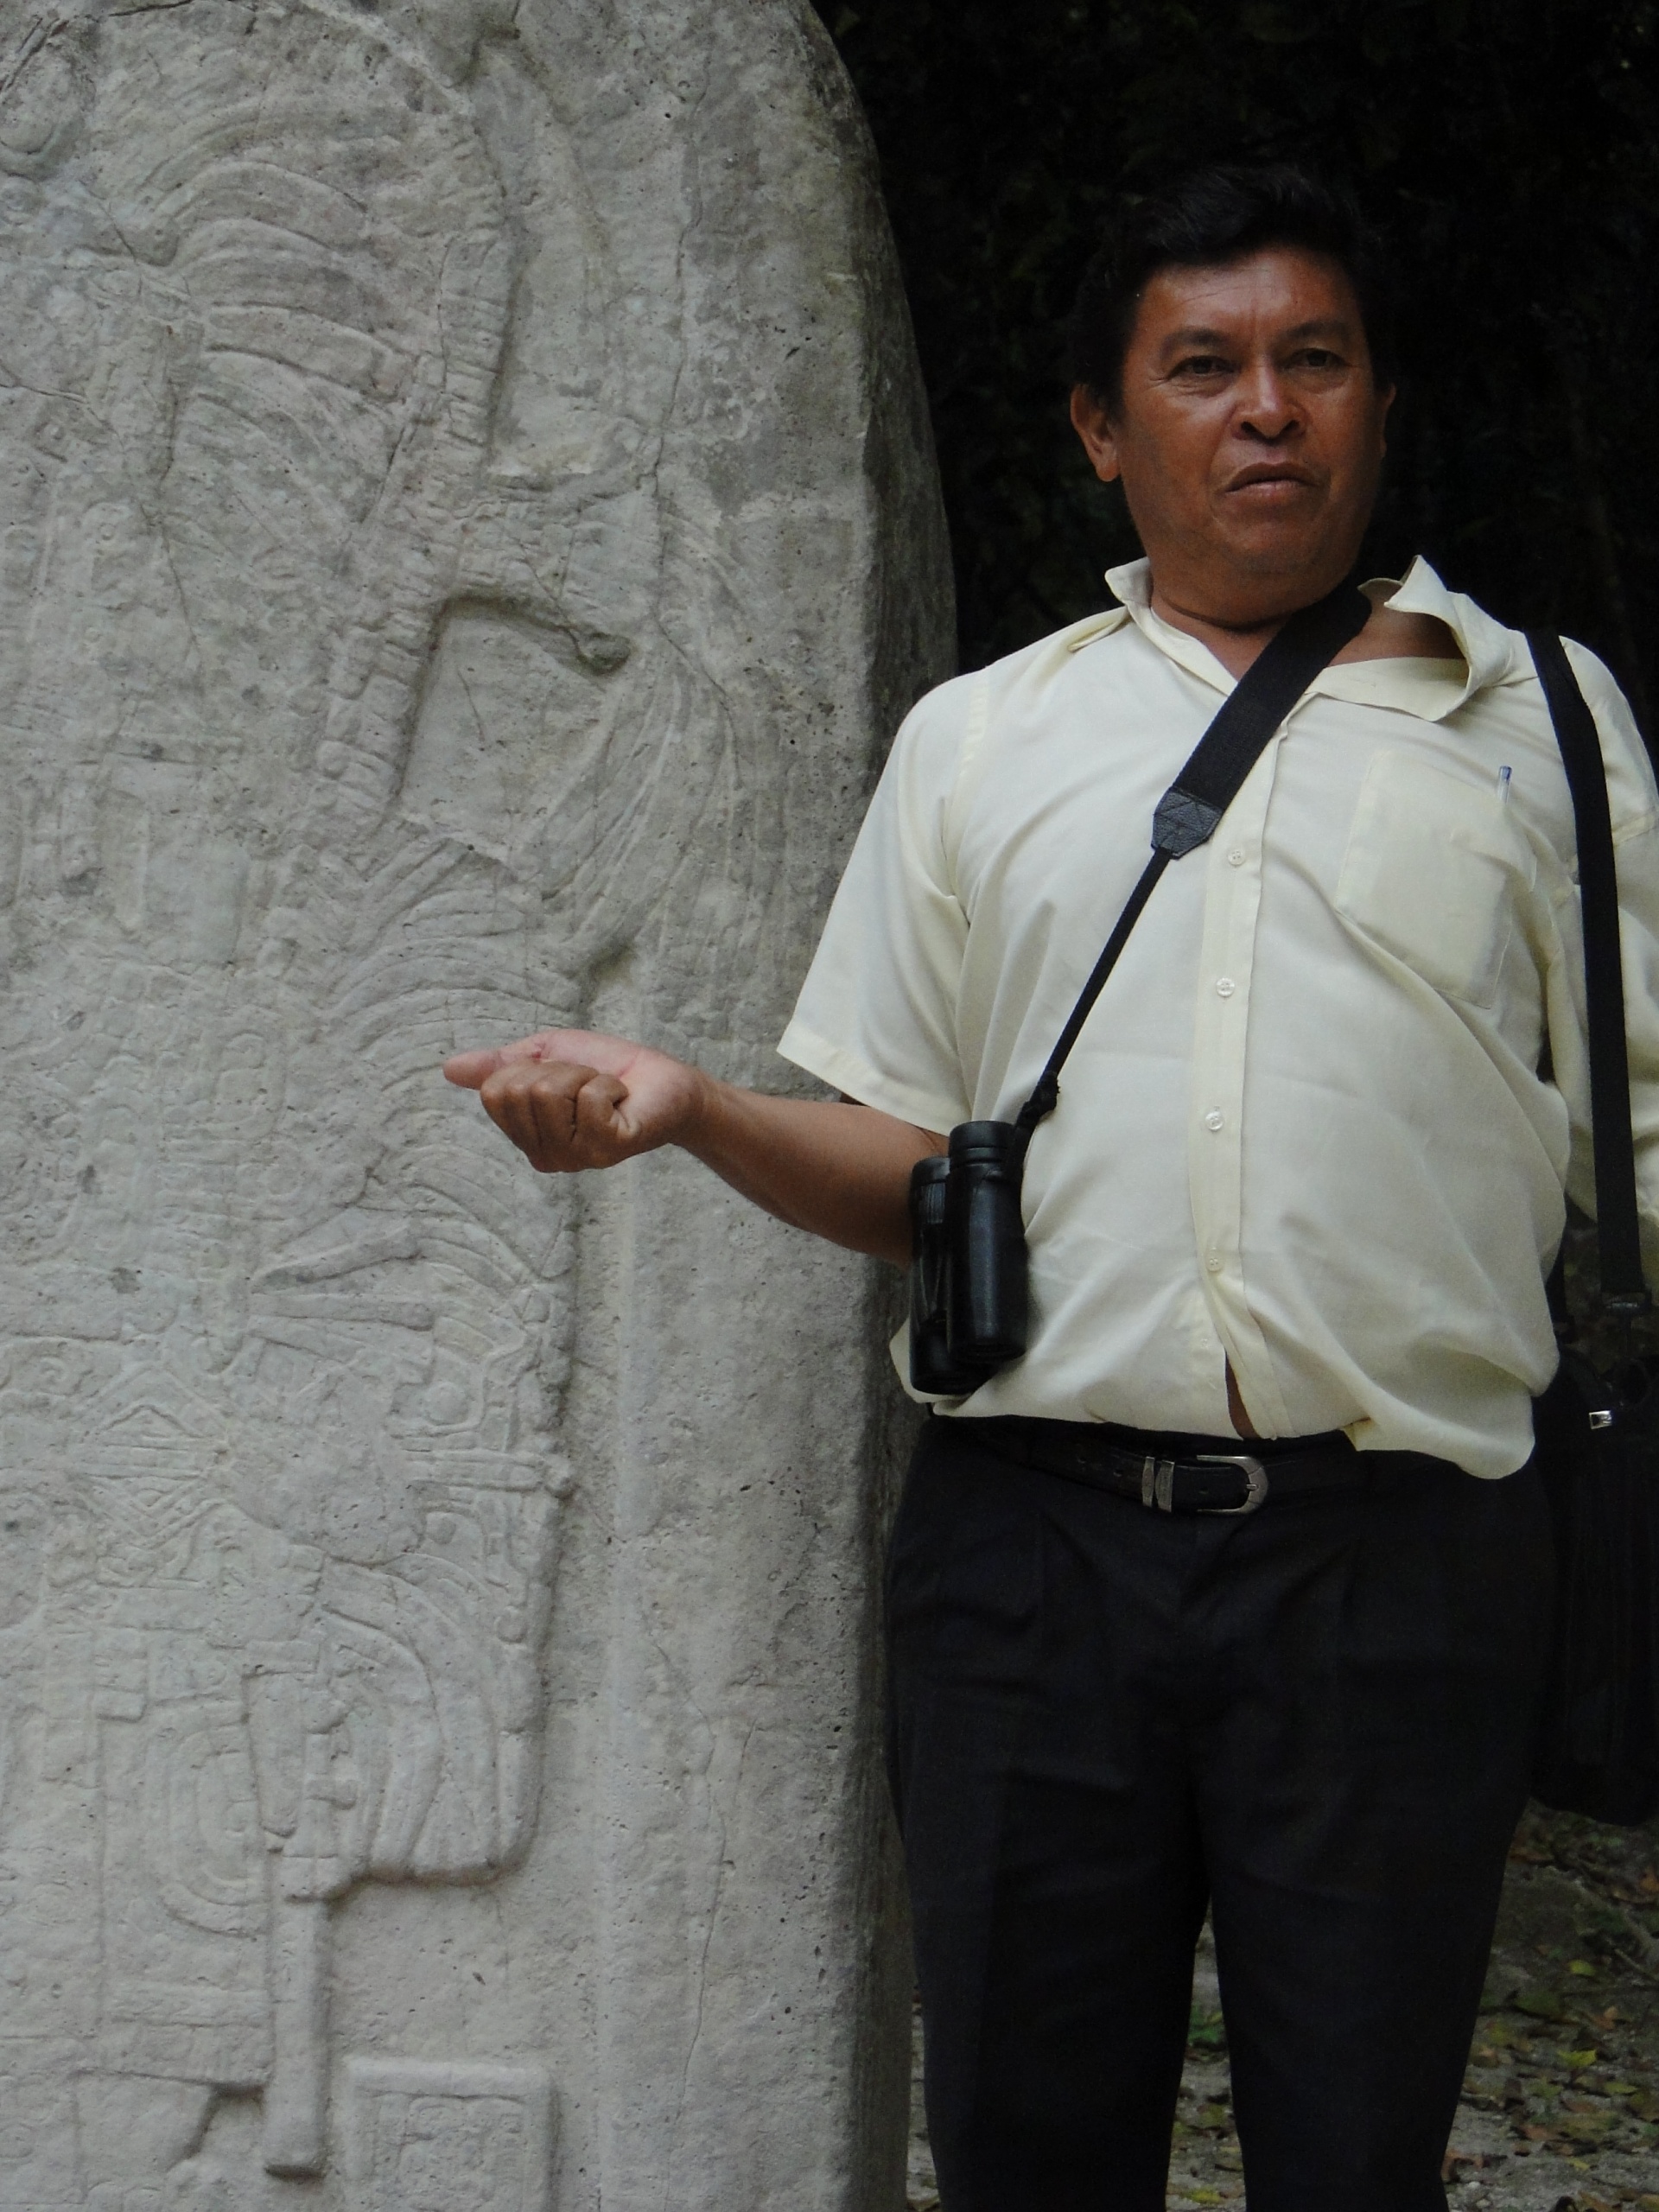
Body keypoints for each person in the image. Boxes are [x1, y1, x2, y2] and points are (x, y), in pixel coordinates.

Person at [443, 164, 1659, 2211]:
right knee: (1023, 2153)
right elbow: (918, 1161)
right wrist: (698, 1109)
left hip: (1404, 1567)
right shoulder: (980, 740)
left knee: (1361, 2163)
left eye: (1314, 358)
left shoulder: (1539, 717)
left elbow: (1645, 1154)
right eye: (1203, 366)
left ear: (1377, 403)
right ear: (1105, 427)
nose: (1265, 406)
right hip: (1032, 1567)